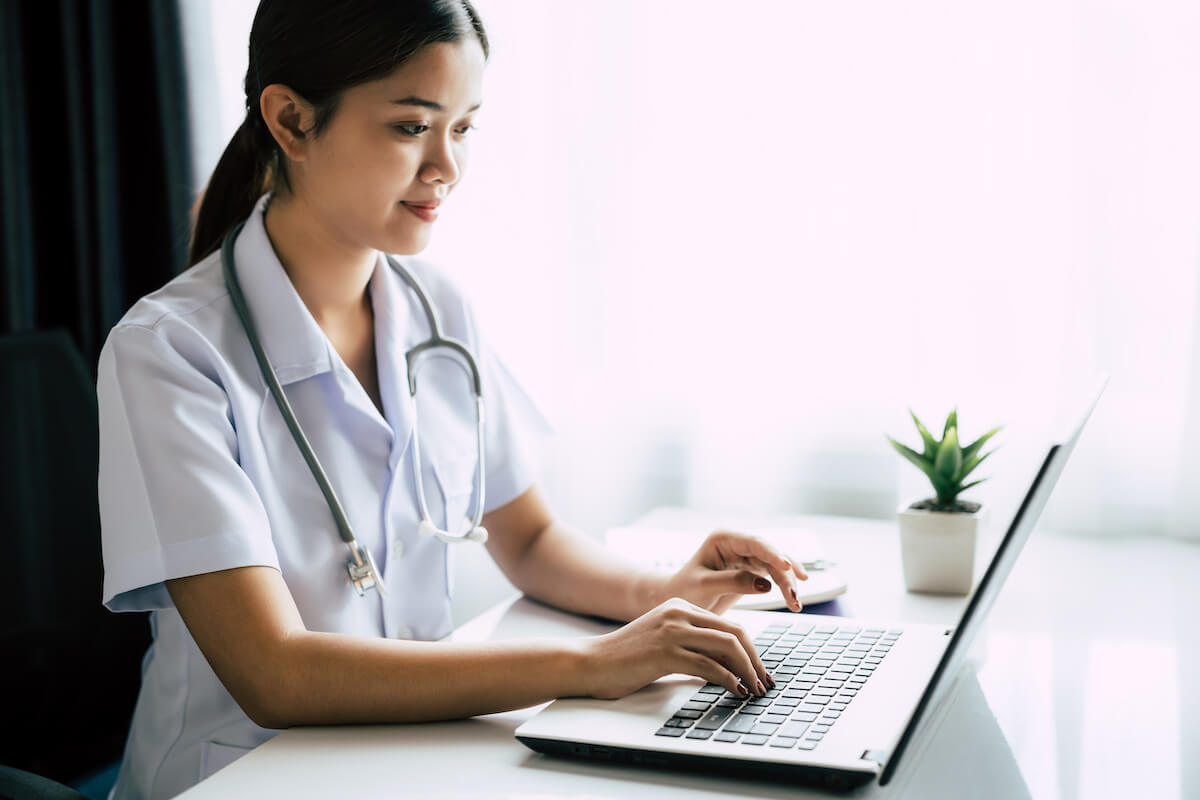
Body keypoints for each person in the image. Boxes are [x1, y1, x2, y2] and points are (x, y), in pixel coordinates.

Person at [96, 1, 810, 797]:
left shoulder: (437, 309)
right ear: (292, 121)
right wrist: (589, 665)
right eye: (411, 127)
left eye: (463, 128)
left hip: (416, 760)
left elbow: (530, 539)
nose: (448, 167)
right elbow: (276, 674)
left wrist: (662, 596)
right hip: (240, 775)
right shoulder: (169, 352)